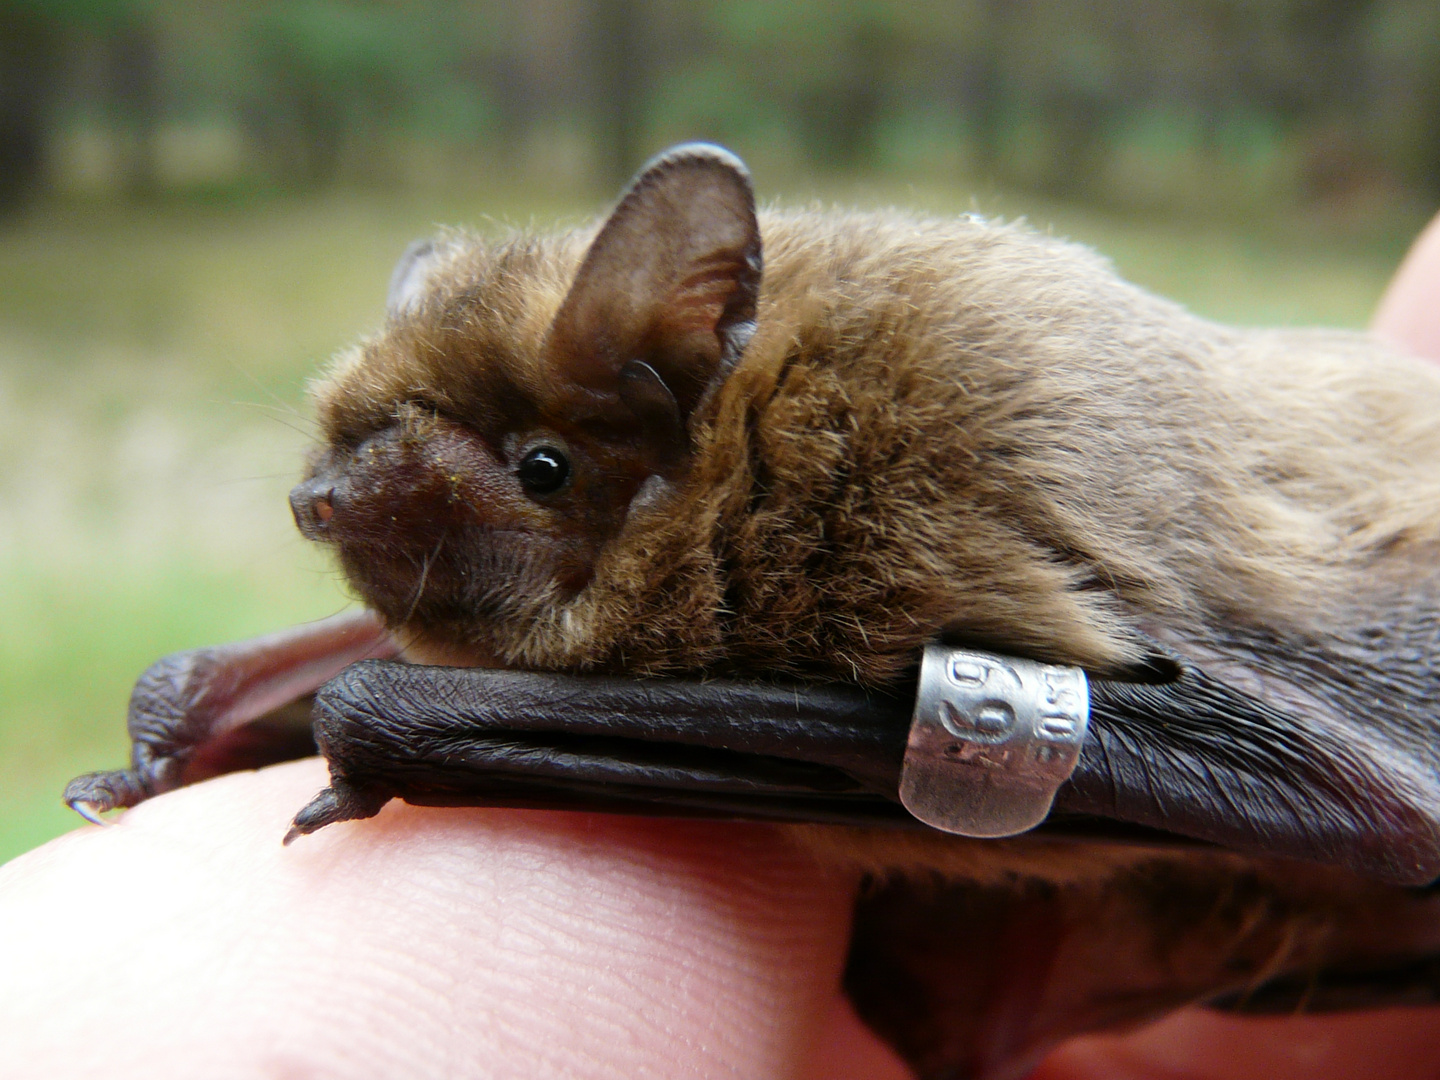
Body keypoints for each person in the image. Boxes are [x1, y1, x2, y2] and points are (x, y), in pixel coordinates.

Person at [5, 216, 1440, 1080]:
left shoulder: (896, 531)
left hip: (1351, 674)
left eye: (543, 477)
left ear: (671, 468)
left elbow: (1343, 784)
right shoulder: (620, 613)